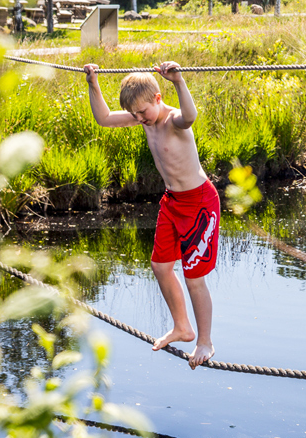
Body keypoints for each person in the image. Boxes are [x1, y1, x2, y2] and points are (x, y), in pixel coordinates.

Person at [84, 61, 220, 369]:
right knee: (160, 266)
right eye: (134, 115)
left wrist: (179, 81)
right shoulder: (142, 119)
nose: (139, 119)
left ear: (157, 98)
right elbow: (104, 118)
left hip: (199, 203)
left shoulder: (172, 119)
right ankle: (182, 327)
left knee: (193, 277)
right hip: (172, 201)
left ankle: (205, 341)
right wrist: (93, 83)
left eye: (143, 112)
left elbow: (191, 116)